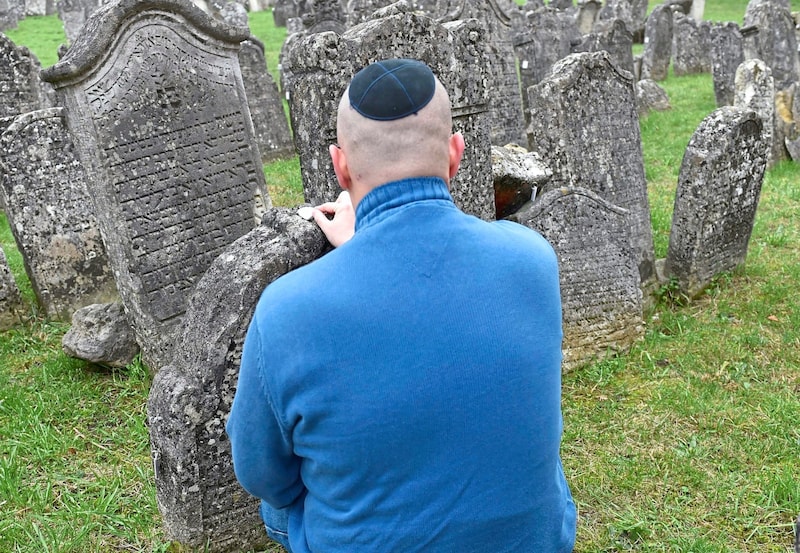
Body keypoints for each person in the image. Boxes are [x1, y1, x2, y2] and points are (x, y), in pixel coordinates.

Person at [226, 58, 576, 552]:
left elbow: (264, 476)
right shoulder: (532, 259)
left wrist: (355, 255)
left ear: (340, 165)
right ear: (455, 155)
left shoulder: (287, 310)